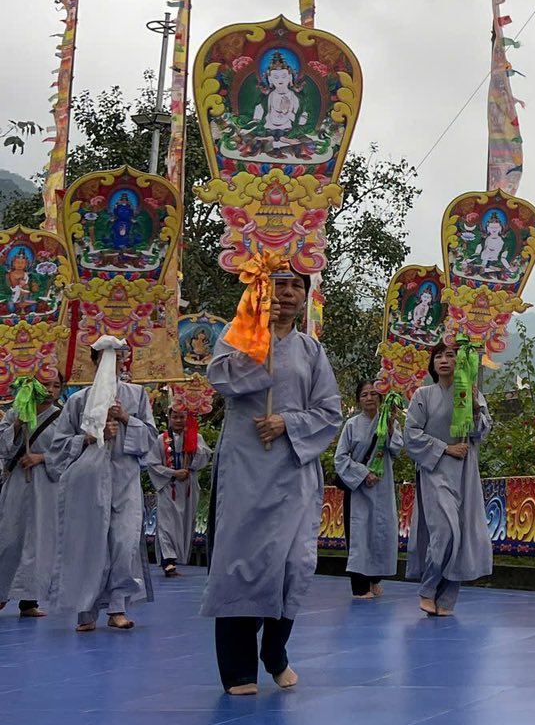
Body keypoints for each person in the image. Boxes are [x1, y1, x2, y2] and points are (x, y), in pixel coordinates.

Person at [200, 265, 341, 694]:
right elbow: (221, 378)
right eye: (280, 284)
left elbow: (329, 412)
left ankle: (275, 651)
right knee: (241, 562)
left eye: (297, 285)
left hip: (293, 469)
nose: (288, 292)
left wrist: (287, 422)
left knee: (295, 563)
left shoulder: (311, 351)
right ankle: (238, 668)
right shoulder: (238, 335)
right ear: (263, 289)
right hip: (246, 468)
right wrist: (256, 342)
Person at [45, 337, 157, 633]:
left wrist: (126, 418)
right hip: (88, 483)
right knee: (90, 544)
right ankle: (87, 610)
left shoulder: (136, 395)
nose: (114, 363)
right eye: (107, 357)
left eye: (118, 357)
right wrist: (90, 438)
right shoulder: (77, 401)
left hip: (125, 479)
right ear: (94, 361)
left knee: (124, 542)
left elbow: (150, 438)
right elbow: (59, 447)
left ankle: (118, 607)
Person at [404, 344, 491, 616]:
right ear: (432, 363)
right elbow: (411, 434)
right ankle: (428, 588)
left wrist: (474, 408)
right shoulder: (423, 396)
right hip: (435, 470)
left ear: (460, 362)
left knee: (461, 533)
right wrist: (445, 448)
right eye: (438, 356)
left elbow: (481, 432)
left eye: (450, 355)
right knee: (445, 530)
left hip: (464, 472)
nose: (443, 360)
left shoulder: (472, 394)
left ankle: (447, 599)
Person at [0, 357, 66, 617]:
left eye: (56, 386)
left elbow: (69, 452)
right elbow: (2, 447)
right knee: (9, 538)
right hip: (17, 484)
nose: (50, 390)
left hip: (45, 487)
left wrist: (42, 458)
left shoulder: (63, 417)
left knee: (38, 541)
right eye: (46, 384)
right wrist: (18, 424)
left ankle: (29, 600)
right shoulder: (16, 412)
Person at [335, 381, 401, 599]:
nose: (369, 398)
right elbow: (340, 457)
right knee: (360, 535)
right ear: (358, 400)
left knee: (381, 532)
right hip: (359, 489)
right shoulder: (352, 425)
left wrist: (390, 427)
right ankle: (359, 586)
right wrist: (363, 473)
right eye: (364, 394)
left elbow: (396, 449)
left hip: (382, 486)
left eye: (374, 393)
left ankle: (375, 579)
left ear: (380, 398)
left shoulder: (390, 421)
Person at [144, 411, 211, 577]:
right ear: (169, 418)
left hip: (188, 487)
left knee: (184, 523)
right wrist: (173, 473)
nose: (178, 420)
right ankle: (168, 561)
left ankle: (177, 557)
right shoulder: (161, 440)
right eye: (175, 417)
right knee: (166, 524)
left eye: (182, 417)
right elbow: (152, 464)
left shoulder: (196, 437)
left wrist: (193, 447)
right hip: (169, 486)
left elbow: (204, 458)